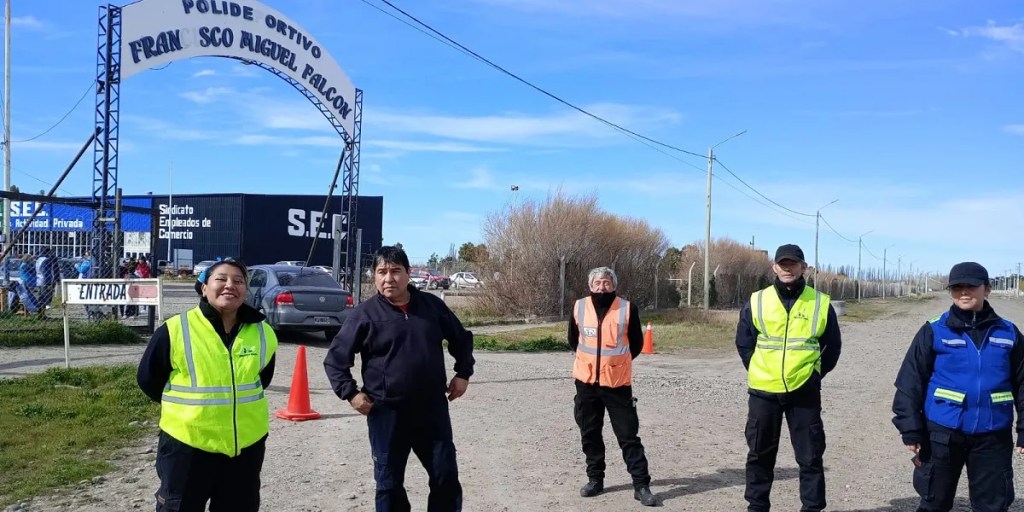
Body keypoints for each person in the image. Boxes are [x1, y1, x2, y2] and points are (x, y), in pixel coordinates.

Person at [324, 246, 474, 512]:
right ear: (374, 276)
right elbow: (335, 359)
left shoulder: (432, 307)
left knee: (445, 477)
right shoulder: (365, 314)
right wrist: (351, 394)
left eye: (395, 271)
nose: (388, 278)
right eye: (381, 272)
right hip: (386, 413)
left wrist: (463, 373)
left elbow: (461, 339)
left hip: (432, 410)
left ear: (408, 273)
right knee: (389, 484)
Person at [137, 258, 278, 512]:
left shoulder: (263, 332)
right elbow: (149, 379)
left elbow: (262, 379)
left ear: (245, 290)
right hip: (187, 446)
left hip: (245, 448)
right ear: (204, 288)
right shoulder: (175, 330)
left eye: (238, 281)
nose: (230, 285)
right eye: (221, 279)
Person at [892, 261, 1024, 512]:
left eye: (971, 286)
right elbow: (911, 380)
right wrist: (910, 426)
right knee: (934, 502)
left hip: (993, 435)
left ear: (987, 289)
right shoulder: (934, 330)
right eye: (957, 287)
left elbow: (1022, 382)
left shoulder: (1008, 332)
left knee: (993, 506)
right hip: (942, 433)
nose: (964, 292)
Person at [735, 244, 842, 512]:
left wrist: (814, 375)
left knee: (810, 457)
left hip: (803, 392)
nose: (787, 268)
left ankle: (812, 508)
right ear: (774, 267)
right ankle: (757, 507)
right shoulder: (757, 301)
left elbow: (832, 347)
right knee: (759, 456)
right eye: (782, 263)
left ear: (803, 268)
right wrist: (759, 369)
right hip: (763, 392)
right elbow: (744, 342)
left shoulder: (820, 303)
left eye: (792, 263)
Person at [569, 266, 658, 507]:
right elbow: (573, 340)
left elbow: (636, 344)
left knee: (628, 436)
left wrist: (614, 365)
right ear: (590, 286)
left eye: (607, 282)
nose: (602, 287)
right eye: (597, 283)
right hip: (586, 384)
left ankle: (641, 486)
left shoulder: (627, 308)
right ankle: (595, 479)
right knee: (590, 433)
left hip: (617, 384)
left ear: (614, 285)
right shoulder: (579, 307)